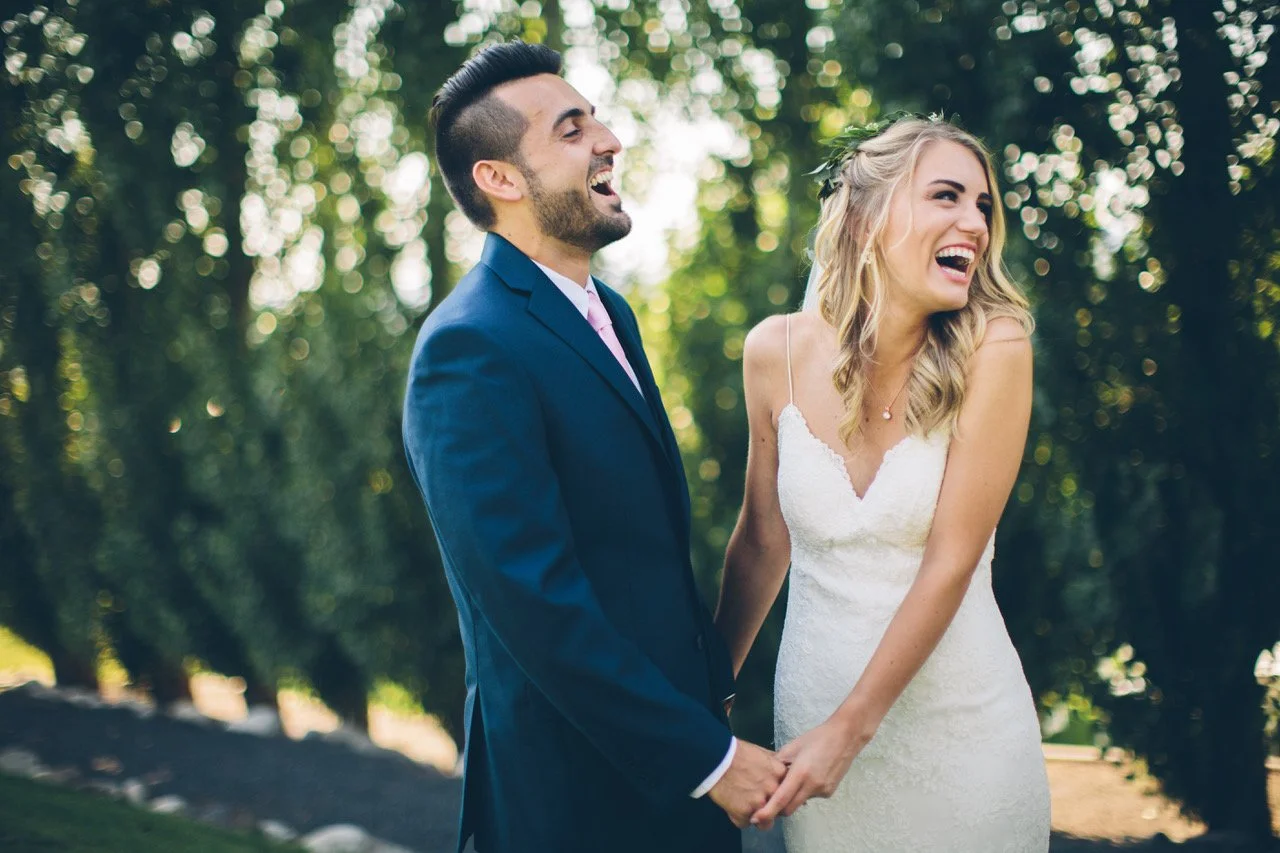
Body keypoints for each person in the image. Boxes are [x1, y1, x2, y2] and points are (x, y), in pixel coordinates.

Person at [401, 41, 786, 853]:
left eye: (597, 118)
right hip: (574, 804)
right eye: (572, 130)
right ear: (500, 179)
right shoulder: (468, 349)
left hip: (672, 780)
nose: (610, 138)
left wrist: (708, 694)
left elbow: (641, 560)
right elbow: (532, 601)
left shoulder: (608, 311)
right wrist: (707, 759)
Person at [714, 114, 1052, 850]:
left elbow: (951, 560)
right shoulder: (774, 351)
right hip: (815, 739)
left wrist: (850, 728)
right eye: (947, 196)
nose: (975, 222)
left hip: (962, 743)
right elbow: (762, 540)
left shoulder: (996, 347)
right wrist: (706, 695)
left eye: (984, 206)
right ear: (868, 214)